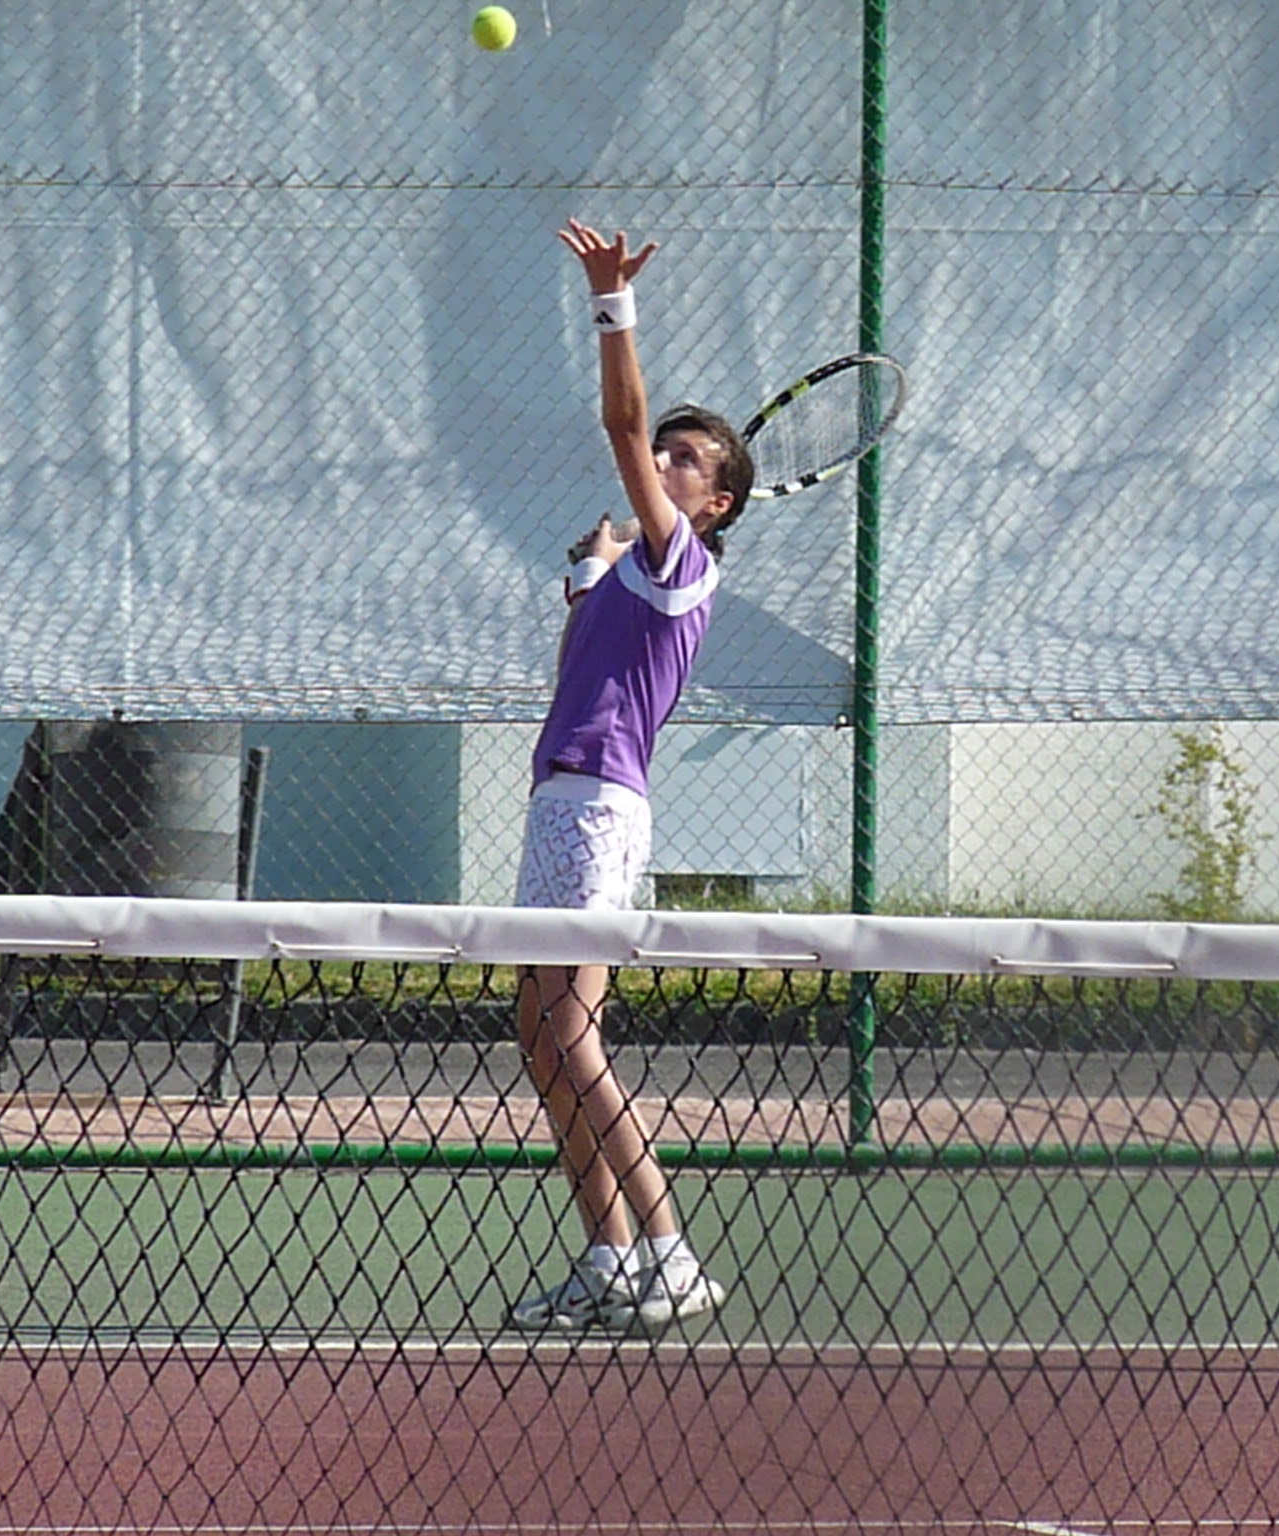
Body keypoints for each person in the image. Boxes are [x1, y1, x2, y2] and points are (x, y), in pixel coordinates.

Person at [507, 219, 753, 1334]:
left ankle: (670, 1253)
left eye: (686, 459)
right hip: (559, 796)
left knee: (571, 1035)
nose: (663, 460)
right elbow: (578, 668)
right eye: (669, 450)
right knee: (539, 1036)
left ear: (715, 505)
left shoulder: (682, 562)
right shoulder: (632, 577)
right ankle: (610, 1262)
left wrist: (613, 304)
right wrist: (586, 577)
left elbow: (618, 421)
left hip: (597, 808)